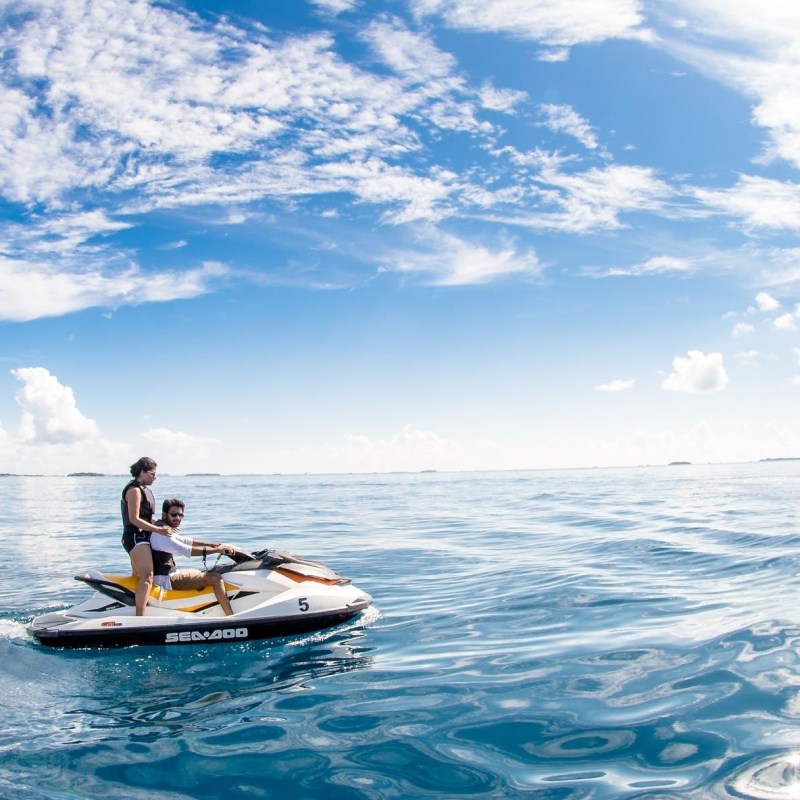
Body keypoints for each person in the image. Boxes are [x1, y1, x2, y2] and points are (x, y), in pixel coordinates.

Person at [149, 498, 236, 616]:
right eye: (174, 514)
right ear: (164, 515)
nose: (177, 518)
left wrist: (212, 544)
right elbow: (186, 550)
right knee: (215, 577)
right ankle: (230, 616)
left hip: (169, 574)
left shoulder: (163, 528)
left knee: (209, 571)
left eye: (180, 515)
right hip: (165, 580)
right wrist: (217, 550)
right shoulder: (161, 534)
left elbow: (185, 540)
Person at [121, 457, 175, 616]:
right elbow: (134, 519)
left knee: (139, 576)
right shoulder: (134, 490)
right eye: (152, 473)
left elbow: (147, 517)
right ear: (142, 472)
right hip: (135, 537)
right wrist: (158, 530)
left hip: (143, 537)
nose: (155, 477)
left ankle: (135, 606)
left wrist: (164, 526)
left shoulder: (144, 490)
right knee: (147, 575)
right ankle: (140, 617)